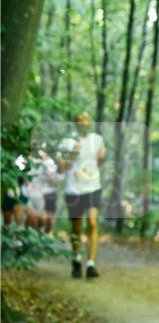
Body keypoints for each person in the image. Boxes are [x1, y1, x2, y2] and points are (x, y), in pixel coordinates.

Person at [57, 113, 106, 278]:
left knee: (92, 223)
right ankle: (77, 259)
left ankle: (91, 264)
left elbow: (100, 161)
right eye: (80, 120)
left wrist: (102, 158)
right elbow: (61, 169)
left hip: (93, 187)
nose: (84, 122)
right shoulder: (66, 142)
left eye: (86, 119)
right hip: (73, 190)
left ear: (90, 122)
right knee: (76, 228)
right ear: (75, 124)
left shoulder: (97, 139)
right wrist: (72, 155)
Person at [25, 147, 60, 234]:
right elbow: (17, 171)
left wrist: (52, 178)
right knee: (34, 219)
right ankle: (31, 237)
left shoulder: (50, 162)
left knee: (48, 222)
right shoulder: (26, 160)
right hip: (34, 194)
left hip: (49, 193)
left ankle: (42, 236)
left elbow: (56, 181)